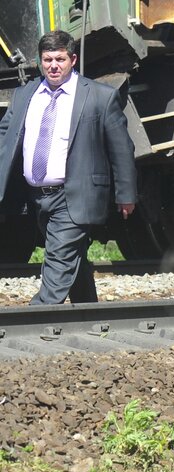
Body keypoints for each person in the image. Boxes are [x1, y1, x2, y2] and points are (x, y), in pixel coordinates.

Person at [0, 31, 136, 304]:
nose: (53, 65)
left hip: (75, 193)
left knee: (59, 256)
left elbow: (121, 149)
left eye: (60, 59)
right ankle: (87, 312)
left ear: (72, 59)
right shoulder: (25, 94)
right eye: (47, 59)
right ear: (40, 62)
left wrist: (126, 194)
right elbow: (5, 137)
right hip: (35, 196)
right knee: (72, 256)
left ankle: (36, 316)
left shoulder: (100, 96)